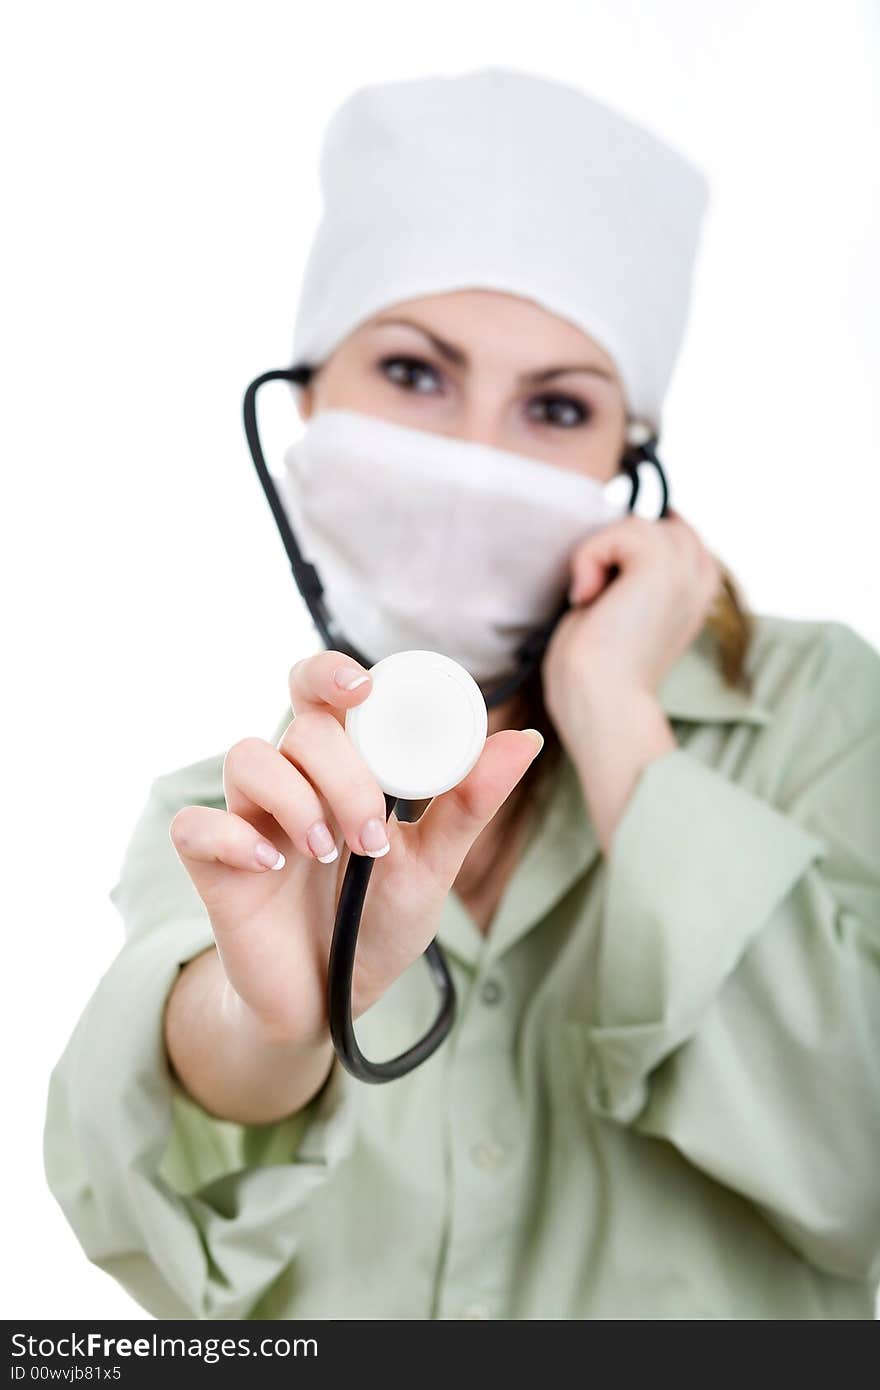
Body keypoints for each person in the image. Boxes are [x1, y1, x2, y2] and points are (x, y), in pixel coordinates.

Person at [44, 67, 880, 1321]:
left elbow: (857, 1176)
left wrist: (618, 726)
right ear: (309, 407)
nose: (476, 458)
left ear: (624, 464)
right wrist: (277, 1020)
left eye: (556, 406)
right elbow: (157, 1239)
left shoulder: (821, 707)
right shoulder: (229, 816)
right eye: (415, 374)